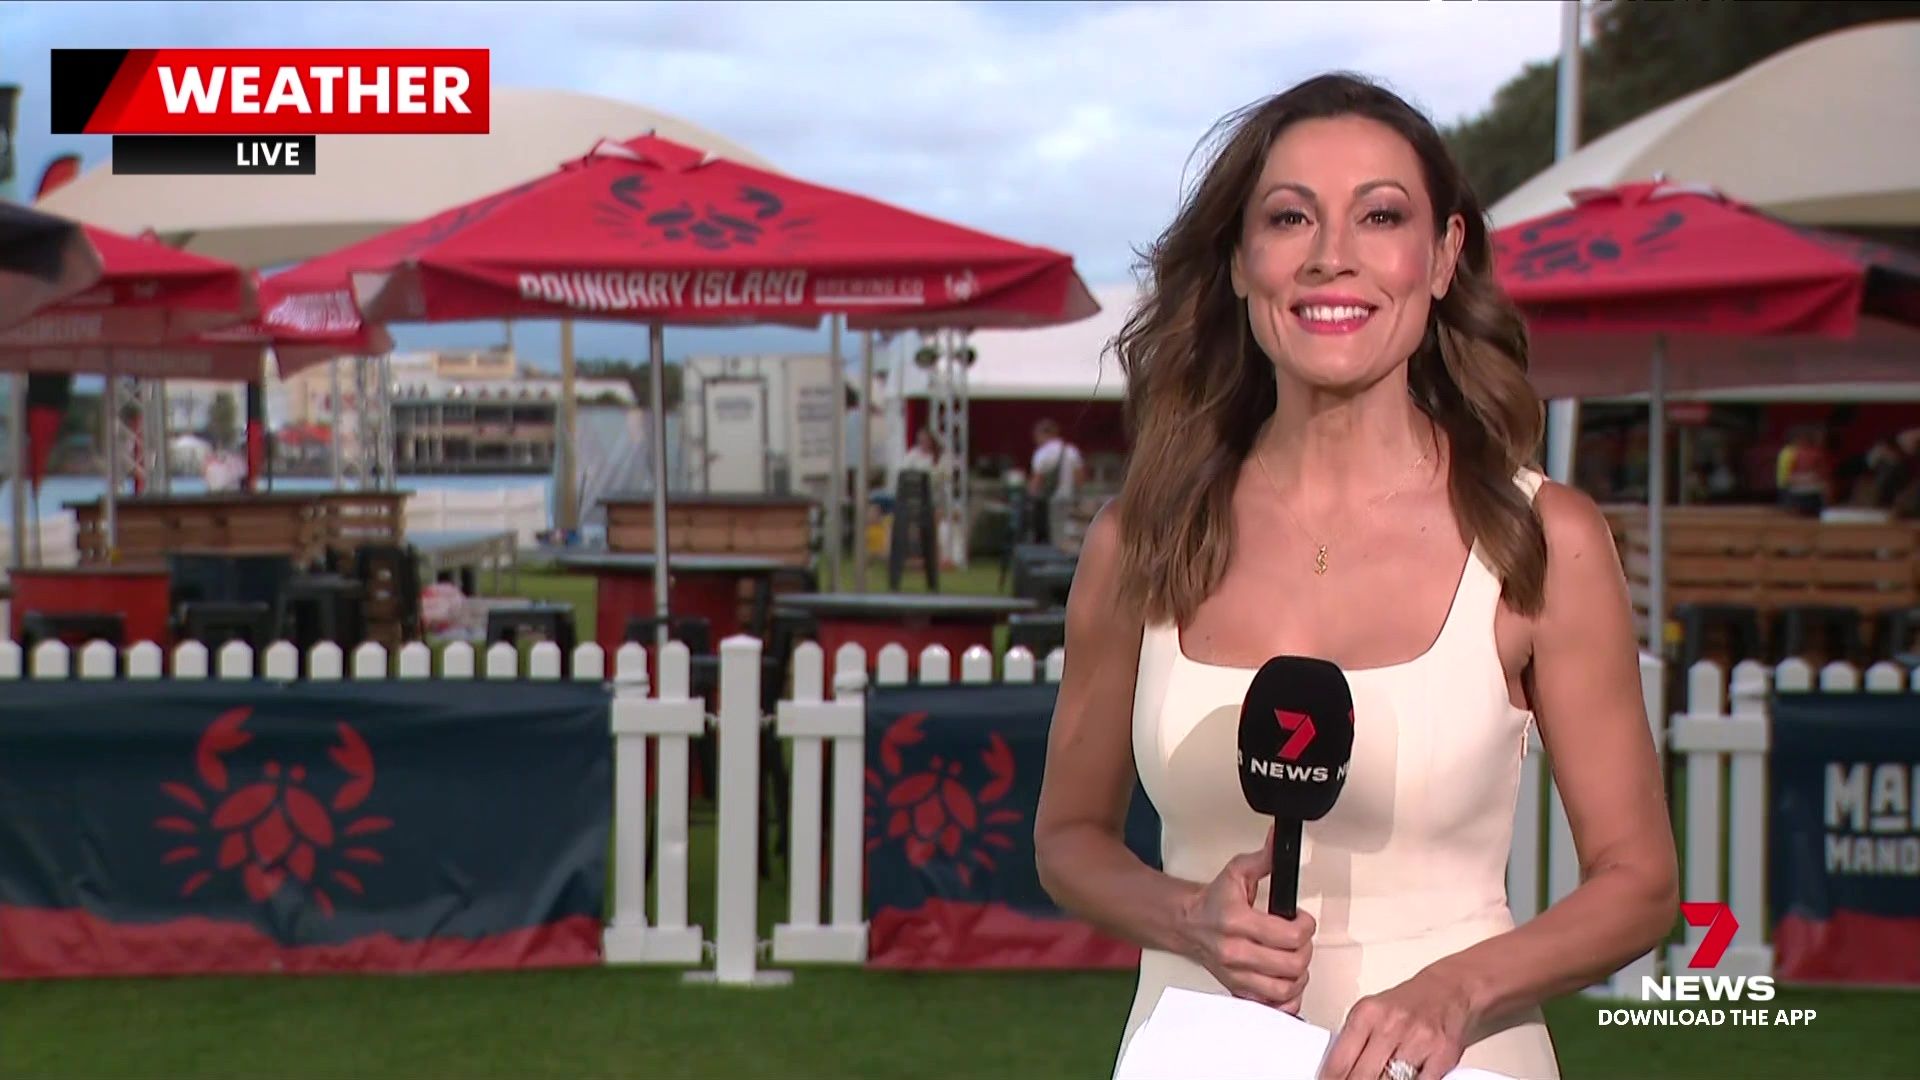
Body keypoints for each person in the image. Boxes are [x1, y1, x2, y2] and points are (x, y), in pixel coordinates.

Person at [1032, 72, 1678, 1080]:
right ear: (1240, 261)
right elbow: (1069, 838)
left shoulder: (1542, 539)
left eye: (1380, 216)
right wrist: (1188, 916)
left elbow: (1640, 882)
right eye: (1290, 217)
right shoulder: (1140, 541)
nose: (1332, 255)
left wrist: (1458, 989)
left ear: (1444, 255)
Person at [1028, 417, 1086, 548]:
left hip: (1051, 500)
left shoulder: (1042, 453)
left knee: (1055, 532)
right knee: (1069, 531)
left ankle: (1055, 554)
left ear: (1043, 434)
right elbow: (1080, 478)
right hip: (1069, 497)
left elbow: (1037, 480)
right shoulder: (1071, 451)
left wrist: (1030, 495)